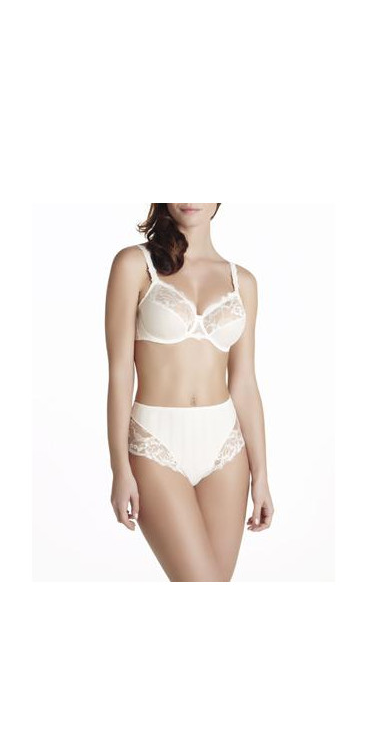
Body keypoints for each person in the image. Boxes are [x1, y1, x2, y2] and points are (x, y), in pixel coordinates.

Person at [105, 204, 274, 581]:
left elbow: (244, 381)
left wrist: (261, 474)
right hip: (155, 443)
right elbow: (119, 372)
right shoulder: (134, 266)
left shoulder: (242, 282)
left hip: (227, 449)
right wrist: (119, 467)